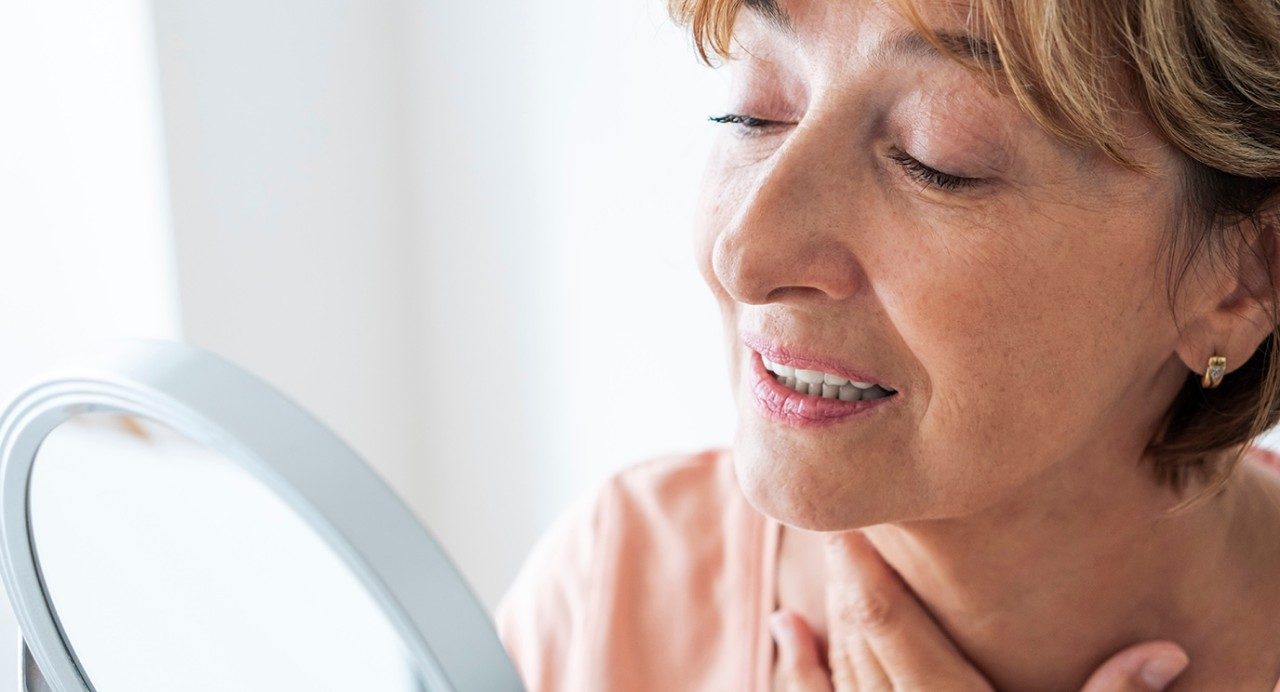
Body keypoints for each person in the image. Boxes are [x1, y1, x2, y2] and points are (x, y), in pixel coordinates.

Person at [496, 0, 1280, 688]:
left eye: (935, 158)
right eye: (754, 109)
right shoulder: (610, 599)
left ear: (1248, 277)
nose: (747, 252)